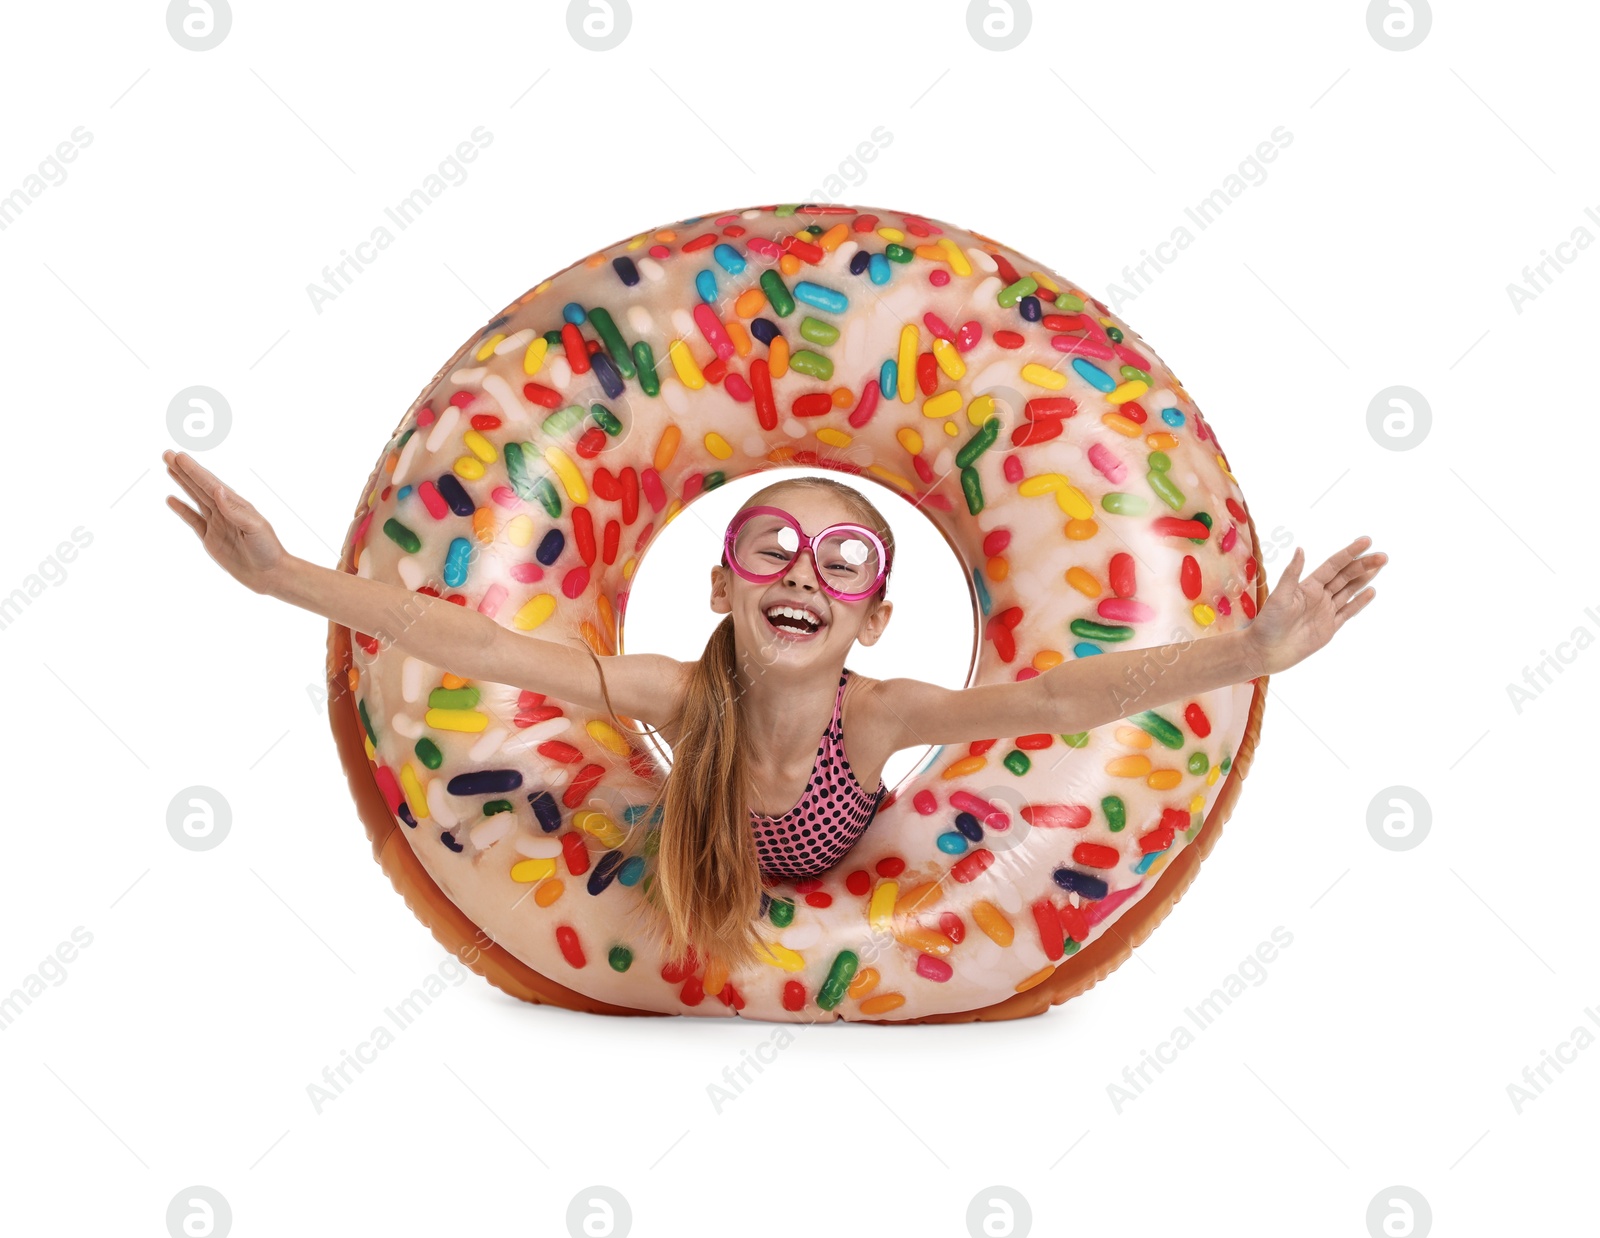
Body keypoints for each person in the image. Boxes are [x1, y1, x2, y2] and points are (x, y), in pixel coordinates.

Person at [162, 448, 1388, 974]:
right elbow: (482, 642)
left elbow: (1063, 694)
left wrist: (1249, 651)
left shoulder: (878, 719)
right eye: (774, 544)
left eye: (843, 558)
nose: (804, 571)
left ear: (873, 617)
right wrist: (282, 578)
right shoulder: (679, 698)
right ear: (722, 581)